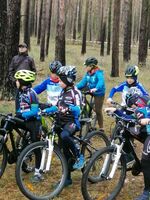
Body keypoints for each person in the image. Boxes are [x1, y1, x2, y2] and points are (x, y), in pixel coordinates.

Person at [43, 66, 85, 186]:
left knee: (64, 135)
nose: (59, 82)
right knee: (63, 149)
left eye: (61, 80)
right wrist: (46, 110)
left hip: (72, 122)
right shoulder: (62, 92)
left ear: (68, 81)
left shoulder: (75, 92)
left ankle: (79, 155)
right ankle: (67, 179)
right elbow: (57, 106)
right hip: (61, 122)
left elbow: (78, 109)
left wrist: (69, 108)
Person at [105, 93, 150, 200]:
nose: (132, 108)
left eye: (133, 106)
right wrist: (116, 111)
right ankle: (132, 160)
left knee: (146, 159)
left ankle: (147, 191)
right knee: (128, 132)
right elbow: (129, 117)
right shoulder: (140, 110)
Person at [106, 65, 149, 167]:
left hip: (134, 111)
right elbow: (113, 89)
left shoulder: (139, 86)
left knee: (130, 128)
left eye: (131, 78)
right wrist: (109, 97)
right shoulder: (124, 85)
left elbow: (146, 97)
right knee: (119, 127)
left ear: (136, 77)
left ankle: (129, 149)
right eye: (127, 77)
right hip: (124, 108)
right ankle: (119, 148)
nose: (129, 80)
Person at [14, 69, 42, 183]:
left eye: (17, 80)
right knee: (8, 121)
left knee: (36, 146)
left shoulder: (32, 93)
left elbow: (35, 110)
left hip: (34, 121)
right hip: (25, 119)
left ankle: (38, 172)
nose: (16, 82)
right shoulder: (20, 92)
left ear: (23, 82)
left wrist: (24, 114)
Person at [76, 57, 106, 131]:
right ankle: (86, 108)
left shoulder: (98, 73)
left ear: (92, 66)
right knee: (79, 90)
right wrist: (74, 87)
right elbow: (82, 83)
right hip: (90, 89)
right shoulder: (88, 74)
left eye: (87, 66)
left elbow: (101, 81)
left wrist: (96, 88)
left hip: (99, 92)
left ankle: (101, 127)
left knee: (98, 110)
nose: (86, 67)